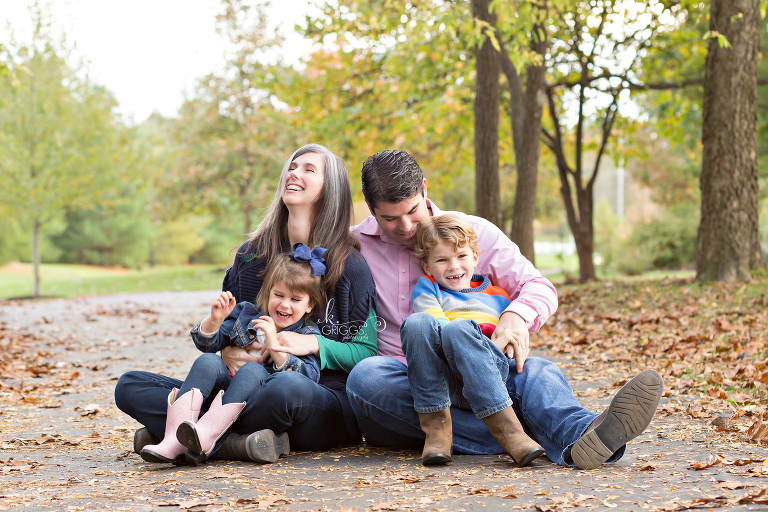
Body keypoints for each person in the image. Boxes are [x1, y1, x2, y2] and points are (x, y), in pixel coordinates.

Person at [347, 149, 663, 470]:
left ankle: (583, 432)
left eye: (412, 211)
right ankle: (535, 432)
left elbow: (538, 287)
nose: (406, 227)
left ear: (424, 189)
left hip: (484, 368)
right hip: (412, 385)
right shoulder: (353, 246)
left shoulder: (472, 233)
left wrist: (514, 317)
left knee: (537, 372)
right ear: (370, 208)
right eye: (389, 218)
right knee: (365, 380)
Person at [116, 144, 378, 464]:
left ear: (331, 190)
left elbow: (366, 354)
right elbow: (229, 328)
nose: (294, 173)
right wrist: (227, 350)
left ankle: (187, 435)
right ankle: (231, 443)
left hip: (312, 399)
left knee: (286, 388)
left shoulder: (350, 266)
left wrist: (308, 343)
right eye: (292, 167)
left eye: (309, 169)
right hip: (241, 392)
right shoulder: (250, 256)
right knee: (130, 386)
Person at [140, 246, 327, 466]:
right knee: (208, 361)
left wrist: (275, 345)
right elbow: (209, 344)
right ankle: (175, 438)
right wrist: (215, 320)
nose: (285, 304)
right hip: (220, 392)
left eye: (296, 300)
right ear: (268, 293)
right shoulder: (247, 313)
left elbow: (307, 377)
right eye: (278, 295)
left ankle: (204, 438)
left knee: (253, 369)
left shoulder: (306, 334)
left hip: (256, 405)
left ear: (310, 305)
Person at [405, 214, 544, 466]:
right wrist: (462, 333)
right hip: (442, 377)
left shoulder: (499, 297)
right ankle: (437, 430)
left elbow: (505, 342)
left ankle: (509, 431)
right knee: (420, 323)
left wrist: (502, 341)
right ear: (427, 267)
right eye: (442, 260)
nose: (454, 266)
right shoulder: (428, 289)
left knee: (459, 330)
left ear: (475, 257)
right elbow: (433, 325)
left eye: (461, 256)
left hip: (486, 374)